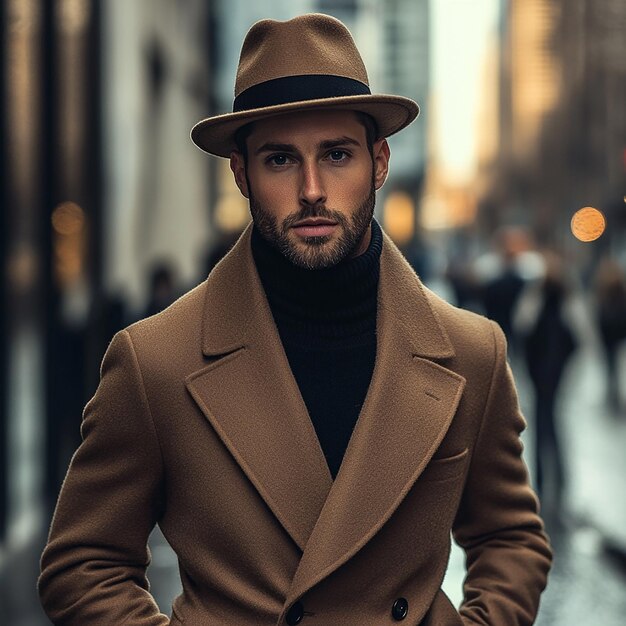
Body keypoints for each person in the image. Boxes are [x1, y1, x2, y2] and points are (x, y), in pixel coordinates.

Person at [38, 13, 552, 626]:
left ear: (379, 161)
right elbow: (82, 562)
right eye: (281, 160)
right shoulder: (156, 362)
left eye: (336, 155)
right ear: (241, 173)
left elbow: (510, 538)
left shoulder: (472, 353)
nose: (312, 189)